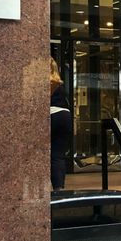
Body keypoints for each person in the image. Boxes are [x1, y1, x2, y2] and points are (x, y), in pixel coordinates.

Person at [50, 58, 71, 190]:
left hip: (52, 114)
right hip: (65, 115)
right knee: (58, 155)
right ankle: (59, 189)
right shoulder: (58, 82)